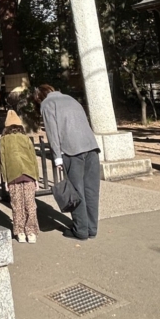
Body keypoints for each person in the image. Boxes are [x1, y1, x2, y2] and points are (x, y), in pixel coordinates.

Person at [40, 85, 100, 241]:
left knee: (76, 191)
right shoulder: (72, 99)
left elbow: (52, 132)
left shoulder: (47, 104)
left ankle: (80, 230)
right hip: (91, 146)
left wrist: (57, 157)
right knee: (91, 190)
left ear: (40, 96)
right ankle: (92, 229)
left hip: (71, 150)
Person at [0, 110, 40, 244]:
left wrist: (5, 179)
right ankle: (31, 231)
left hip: (13, 175)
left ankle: (20, 231)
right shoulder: (26, 138)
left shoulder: (3, 140)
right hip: (28, 173)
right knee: (30, 204)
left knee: (17, 205)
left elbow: (3, 161)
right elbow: (33, 159)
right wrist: (36, 178)